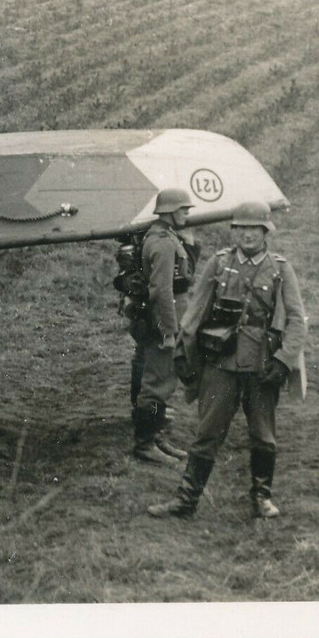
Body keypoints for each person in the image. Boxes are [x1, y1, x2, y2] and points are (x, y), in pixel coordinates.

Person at [148, 201, 307, 519]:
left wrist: (283, 361)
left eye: (254, 229)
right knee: (206, 434)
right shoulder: (219, 264)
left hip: (263, 367)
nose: (247, 235)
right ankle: (186, 500)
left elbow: (296, 319)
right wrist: (184, 355)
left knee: (263, 436)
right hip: (220, 365)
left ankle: (261, 498)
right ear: (234, 231)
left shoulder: (279, 268)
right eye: (242, 228)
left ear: (265, 233)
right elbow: (195, 313)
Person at [130, 188, 197, 465]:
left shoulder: (163, 236)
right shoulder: (164, 243)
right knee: (158, 382)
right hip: (164, 321)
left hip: (161, 317)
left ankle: (155, 437)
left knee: (160, 379)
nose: (187, 213)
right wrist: (169, 331)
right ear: (170, 211)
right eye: (183, 209)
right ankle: (145, 444)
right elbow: (161, 291)